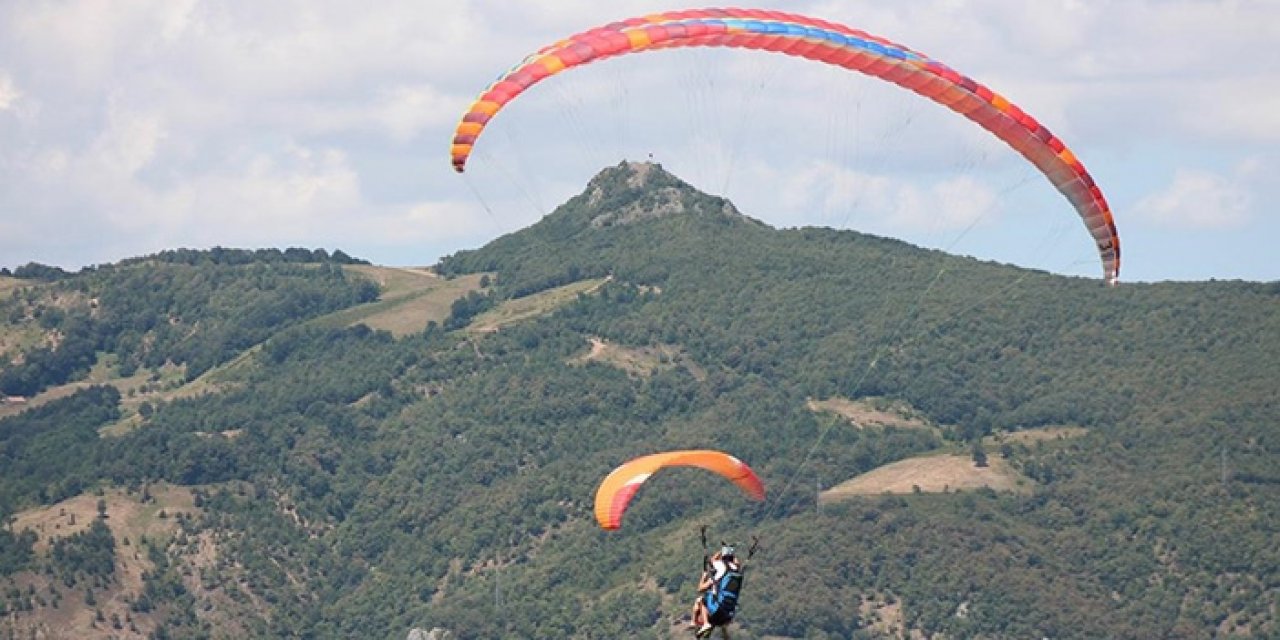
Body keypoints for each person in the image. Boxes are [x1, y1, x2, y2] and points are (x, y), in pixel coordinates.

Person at [689, 545, 744, 638]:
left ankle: (704, 623)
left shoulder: (721, 567)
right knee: (713, 602)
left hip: (718, 609)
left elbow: (711, 561)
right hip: (729, 613)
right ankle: (723, 629)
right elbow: (737, 563)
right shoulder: (736, 571)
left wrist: (704, 575)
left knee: (702, 599)